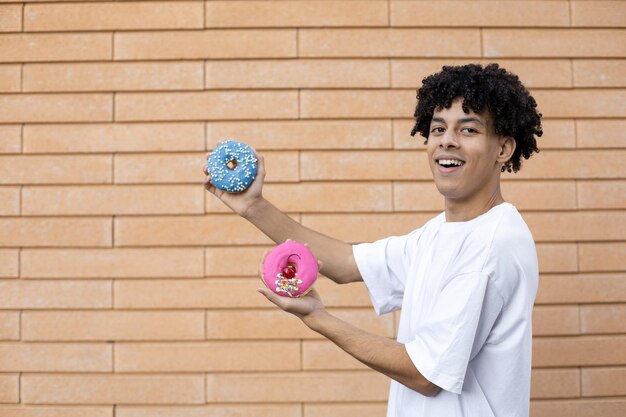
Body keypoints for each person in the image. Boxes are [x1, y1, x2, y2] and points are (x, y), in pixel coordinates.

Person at [203, 63, 543, 417]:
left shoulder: (491, 247)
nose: (447, 140)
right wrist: (253, 207)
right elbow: (346, 264)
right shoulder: (439, 233)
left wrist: (319, 318)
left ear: (503, 149)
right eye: (438, 128)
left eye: (468, 129)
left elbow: (426, 374)